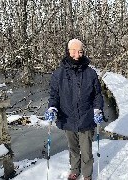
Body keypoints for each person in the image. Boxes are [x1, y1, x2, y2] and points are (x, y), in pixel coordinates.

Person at [45, 39, 104, 180]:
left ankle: (87, 174)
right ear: (68, 51)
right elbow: (54, 95)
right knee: (73, 149)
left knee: (86, 150)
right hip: (67, 117)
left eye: (80, 51)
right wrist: (52, 108)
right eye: (74, 51)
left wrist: (98, 110)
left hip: (86, 118)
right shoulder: (58, 74)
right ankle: (74, 170)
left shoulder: (91, 73)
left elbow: (97, 95)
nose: (77, 55)